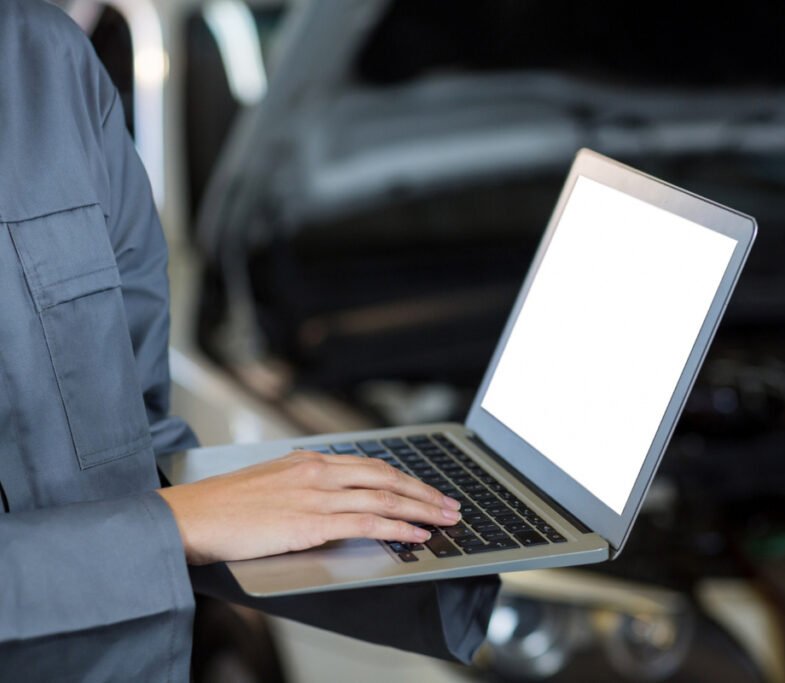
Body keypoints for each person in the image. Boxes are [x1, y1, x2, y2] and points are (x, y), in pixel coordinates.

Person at [0, 1, 497, 679]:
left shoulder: (50, 61)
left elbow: (135, 451)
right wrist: (174, 527)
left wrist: (446, 534)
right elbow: (175, 517)